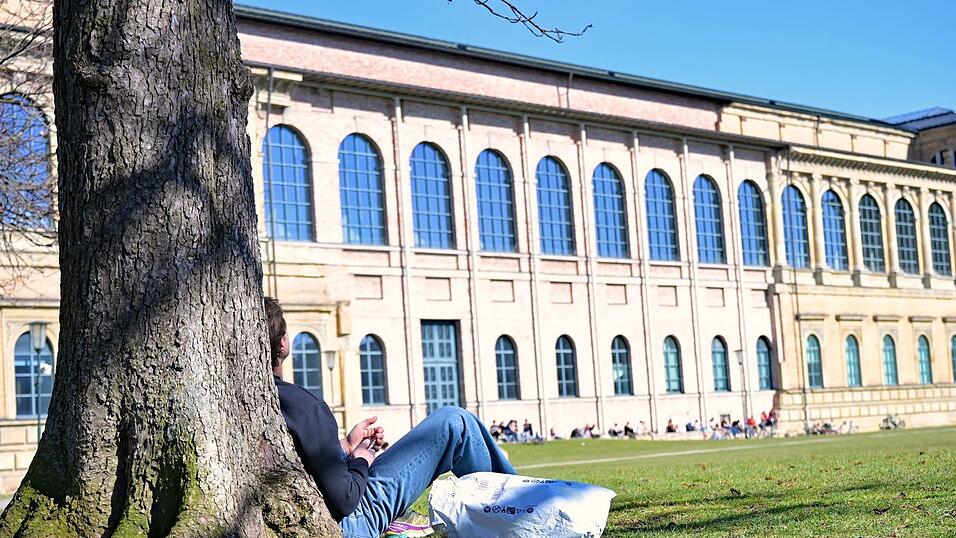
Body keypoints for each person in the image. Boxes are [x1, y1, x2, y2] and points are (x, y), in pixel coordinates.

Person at [264, 297, 516, 538]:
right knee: (454, 423)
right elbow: (345, 499)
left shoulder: (264, 399)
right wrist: (361, 460)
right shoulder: (304, 405)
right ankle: (527, 506)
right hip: (348, 523)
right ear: (284, 342)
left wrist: (345, 447)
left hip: (321, 511)